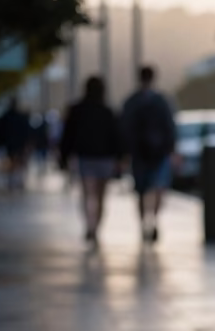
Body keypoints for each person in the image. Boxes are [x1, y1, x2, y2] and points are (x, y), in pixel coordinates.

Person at [59, 76, 123, 244]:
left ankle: (89, 224)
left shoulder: (76, 110)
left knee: (87, 194)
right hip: (104, 159)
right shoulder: (108, 111)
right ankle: (96, 228)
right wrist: (120, 158)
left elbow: (67, 136)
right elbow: (116, 137)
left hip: (85, 157)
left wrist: (63, 157)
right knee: (101, 196)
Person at [120, 65, 177, 243]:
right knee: (158, 188)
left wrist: (124, 153)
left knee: (141, 190)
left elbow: (124, 129)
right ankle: (154, 219)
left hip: (139, 155)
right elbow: (170, 126)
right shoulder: (162, 100)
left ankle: (144, 222)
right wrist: (171, 149)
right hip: (159, 153)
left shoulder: (131, 101)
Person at [0, 98, 32, 191]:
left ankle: (12, 179)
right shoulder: (20, 117)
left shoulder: (6, 117)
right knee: (17, 161)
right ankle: (16, 179)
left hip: (10, 143)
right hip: (18, 143)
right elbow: (26, 131)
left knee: (12, 161)